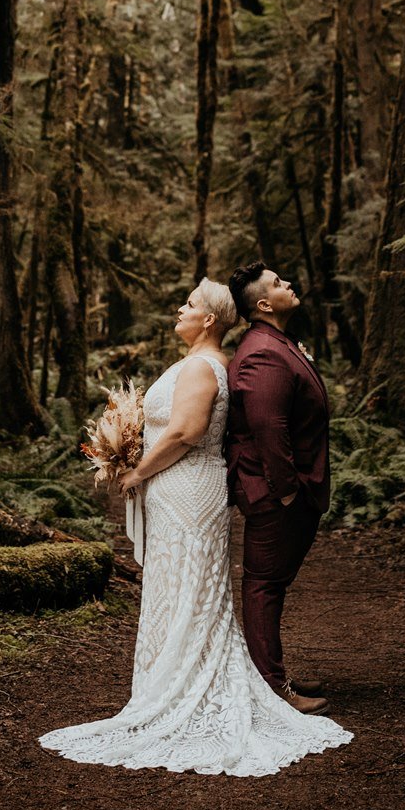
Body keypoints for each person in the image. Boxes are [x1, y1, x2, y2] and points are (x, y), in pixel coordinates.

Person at [37, 277, 351, 777]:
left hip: (188, 490)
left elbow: (186, 431)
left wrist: (138, 471)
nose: (177, 310)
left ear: (208, 319)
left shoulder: (205, 367)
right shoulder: (198, 364)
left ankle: (188, 686)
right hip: (179, 489)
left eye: (187, 304)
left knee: (188, 586)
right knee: (175, 586)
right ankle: (171, 680)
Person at [225, 261, 331, 711]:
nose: (289, 283)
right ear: (264, 304)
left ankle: (270, 673)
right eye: (277, 283)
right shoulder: (263, 352)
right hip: (275, 493)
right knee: (264, 586)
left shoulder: (277, 343)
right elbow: (269, 427)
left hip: (288, 490)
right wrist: (288, 491)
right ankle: (271, 689)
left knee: (272, 585)